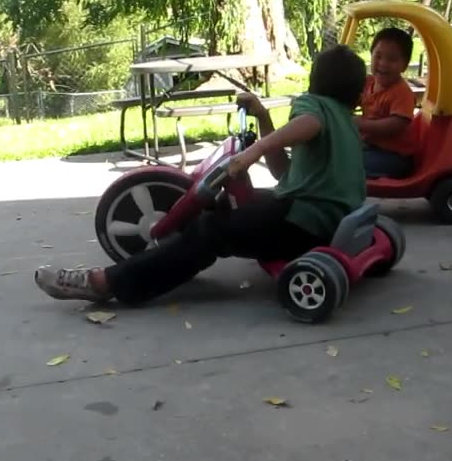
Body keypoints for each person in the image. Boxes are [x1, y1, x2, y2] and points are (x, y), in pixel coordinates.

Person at [33, 45, 368, 305]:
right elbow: (284, 174)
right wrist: (263, 117)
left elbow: (308, 125)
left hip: (305, 226)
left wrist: (251, 153)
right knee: (231, 211)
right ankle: (173, 257)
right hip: (323, 218)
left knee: (213, 230)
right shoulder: (346, 122)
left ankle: (107, 283)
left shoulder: (315, 107)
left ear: (316, 80)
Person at [356, 27, 419, 179]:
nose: (383, 64)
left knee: (348, 162)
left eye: (392, 59)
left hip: (395, 157)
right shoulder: (368, 83)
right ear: (370, 56)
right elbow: (352, 99)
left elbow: (396, 125)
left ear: (404, 65)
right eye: (378, 56)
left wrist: (360, 124)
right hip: (370, 147)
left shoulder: (402, 93)